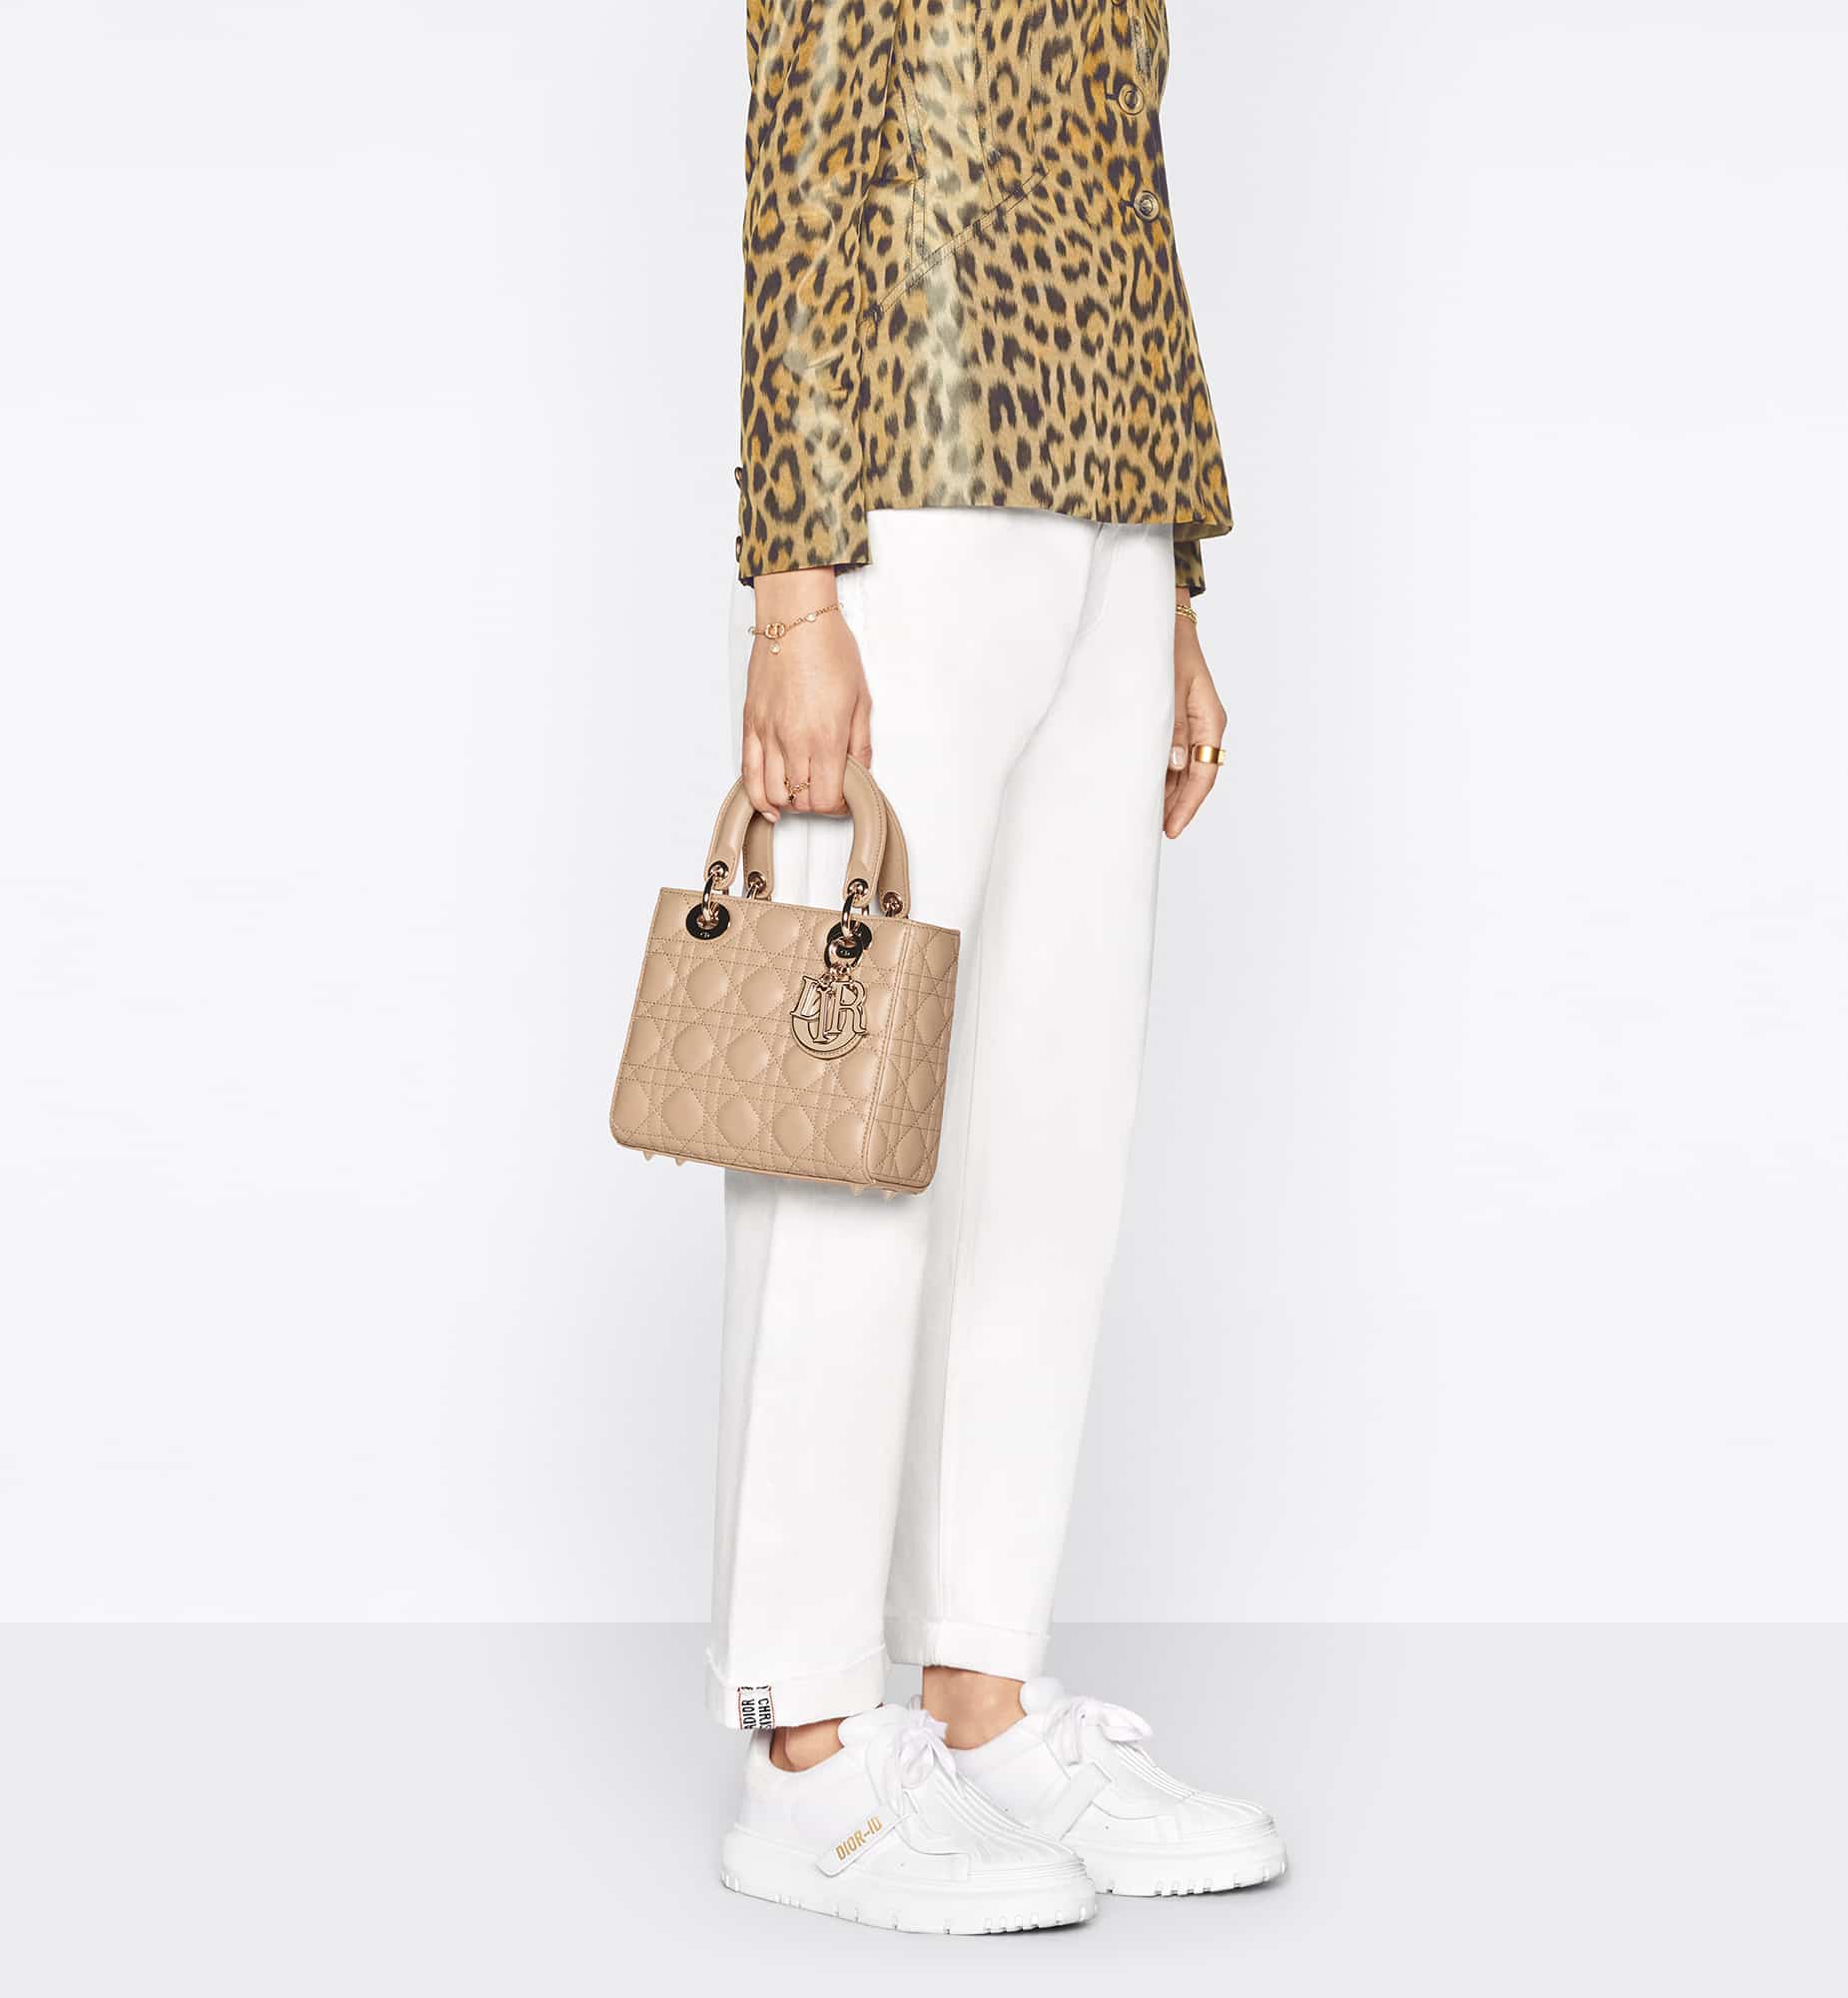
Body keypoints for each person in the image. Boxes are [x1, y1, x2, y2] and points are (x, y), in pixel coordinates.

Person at [711, 0, 1286, 1932]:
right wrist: (792, 593)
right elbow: (798, 178)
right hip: (908, 514)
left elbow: (1132, 192)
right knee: (844, 1128)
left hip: (1107, 518)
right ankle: (802, 1746)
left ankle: (983, 1702)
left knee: (1053, 1136)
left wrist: (1174, 585)